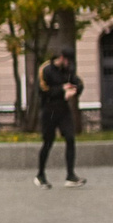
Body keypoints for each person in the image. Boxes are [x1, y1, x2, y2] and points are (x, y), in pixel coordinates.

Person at [37, 46, 83, 187]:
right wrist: (62, 90)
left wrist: (74, 91)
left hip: (63, 110)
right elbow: (44, 91)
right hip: (49, 110)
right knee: (48, 142)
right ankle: (40, 174)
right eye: (67, 61)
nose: (69, 64)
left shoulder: (67, 70)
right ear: (62, 58)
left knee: (70, 138)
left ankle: (70, 175)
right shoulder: (46, 70)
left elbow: (79, 83)